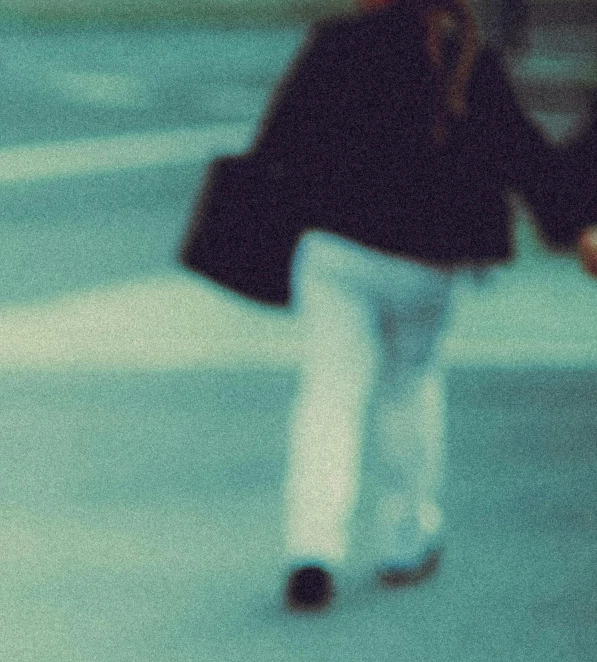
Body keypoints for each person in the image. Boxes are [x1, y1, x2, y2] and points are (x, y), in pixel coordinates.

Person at [252, 0, 597, 612]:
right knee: (409, 386)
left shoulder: (335, 44)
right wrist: (579, 217)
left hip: (335, 251)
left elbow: (280, 144)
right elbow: (531, 166)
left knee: (328, 391)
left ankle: (312, 546)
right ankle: (405, 540)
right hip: (423, 263)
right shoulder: (463, 59)